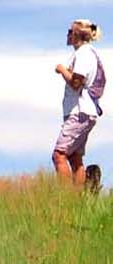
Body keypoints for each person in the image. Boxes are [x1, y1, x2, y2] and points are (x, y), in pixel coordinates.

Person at [54, 19, 103, 186]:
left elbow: (76, 83)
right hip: (83, 112)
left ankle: (67, 199)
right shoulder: (85, 53)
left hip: (80, 112)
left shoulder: (84, 54)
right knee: (75, 157)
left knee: (59, 155)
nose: (67, 34)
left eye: (69, 31)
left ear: (76, 35)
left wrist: (62, 70)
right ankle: (78, 200)